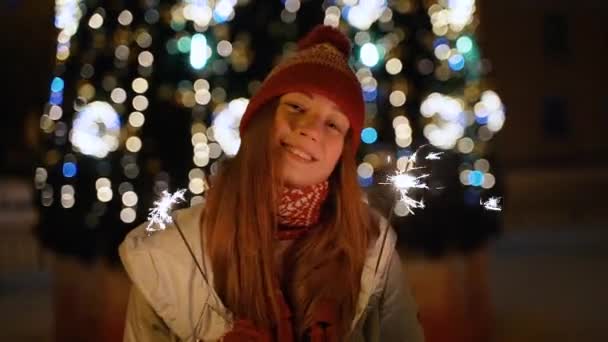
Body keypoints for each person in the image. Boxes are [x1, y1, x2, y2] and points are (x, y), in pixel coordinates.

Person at [120, 24, 424, 342]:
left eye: (333, 124)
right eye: (296, 106)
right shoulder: (168, 255)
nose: (310, 129)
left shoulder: (373, 250)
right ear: (260, 120)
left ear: (342, 157)